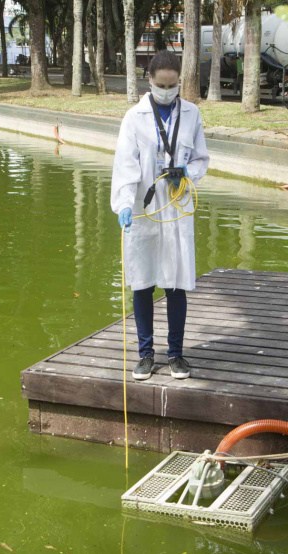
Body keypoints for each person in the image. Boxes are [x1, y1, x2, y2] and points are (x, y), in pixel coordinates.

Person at [111, 51, 210, 381]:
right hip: (143, 210)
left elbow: (201, 159)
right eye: (160, 85)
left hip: (176, 209)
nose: (167, 90)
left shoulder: (192, 114)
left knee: (175, 282)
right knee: (142, 282)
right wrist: (124, 204)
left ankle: (177, 355)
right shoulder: (134, 117)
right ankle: (145, 354)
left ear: (178, 81)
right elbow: (125, 165)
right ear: (149, 81)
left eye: (172, 85)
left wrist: (186, 173)